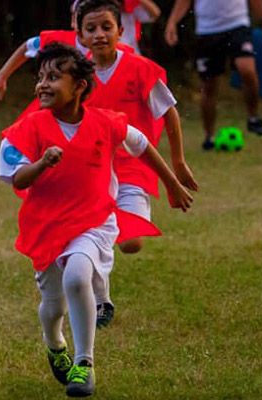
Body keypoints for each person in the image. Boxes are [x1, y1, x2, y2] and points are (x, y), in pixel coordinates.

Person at [0, 42, 193, 398]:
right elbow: (17, 178)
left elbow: (143, 144)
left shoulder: (107, 122)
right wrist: (42, 163)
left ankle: (84, 363)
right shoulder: (27, 129)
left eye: (54, 77)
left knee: (77, 275)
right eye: (40, 77)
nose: (43, 84)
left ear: (80, 87)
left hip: (94, 221)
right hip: (46, 227)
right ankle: (55, 343)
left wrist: (172, 183)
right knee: (53, 306)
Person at [74, 0, 199, 326]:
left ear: (121, 31)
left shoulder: (140, 68)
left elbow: (168, 111)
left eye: (106, 27)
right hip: (93, 171)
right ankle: (101, 303)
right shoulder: (76, 74)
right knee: (92, 239)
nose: (99, 34)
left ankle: (103, 246)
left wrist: (178, 161)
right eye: (91, 29)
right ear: (80, 35)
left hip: (135, 165)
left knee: (130, 243)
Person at [165, 0, 262, 149]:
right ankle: (209, 136)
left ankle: (253, 118)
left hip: (237, 25)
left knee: (247, 71)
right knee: (209, 86)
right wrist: (172, 22)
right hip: (207, 31)